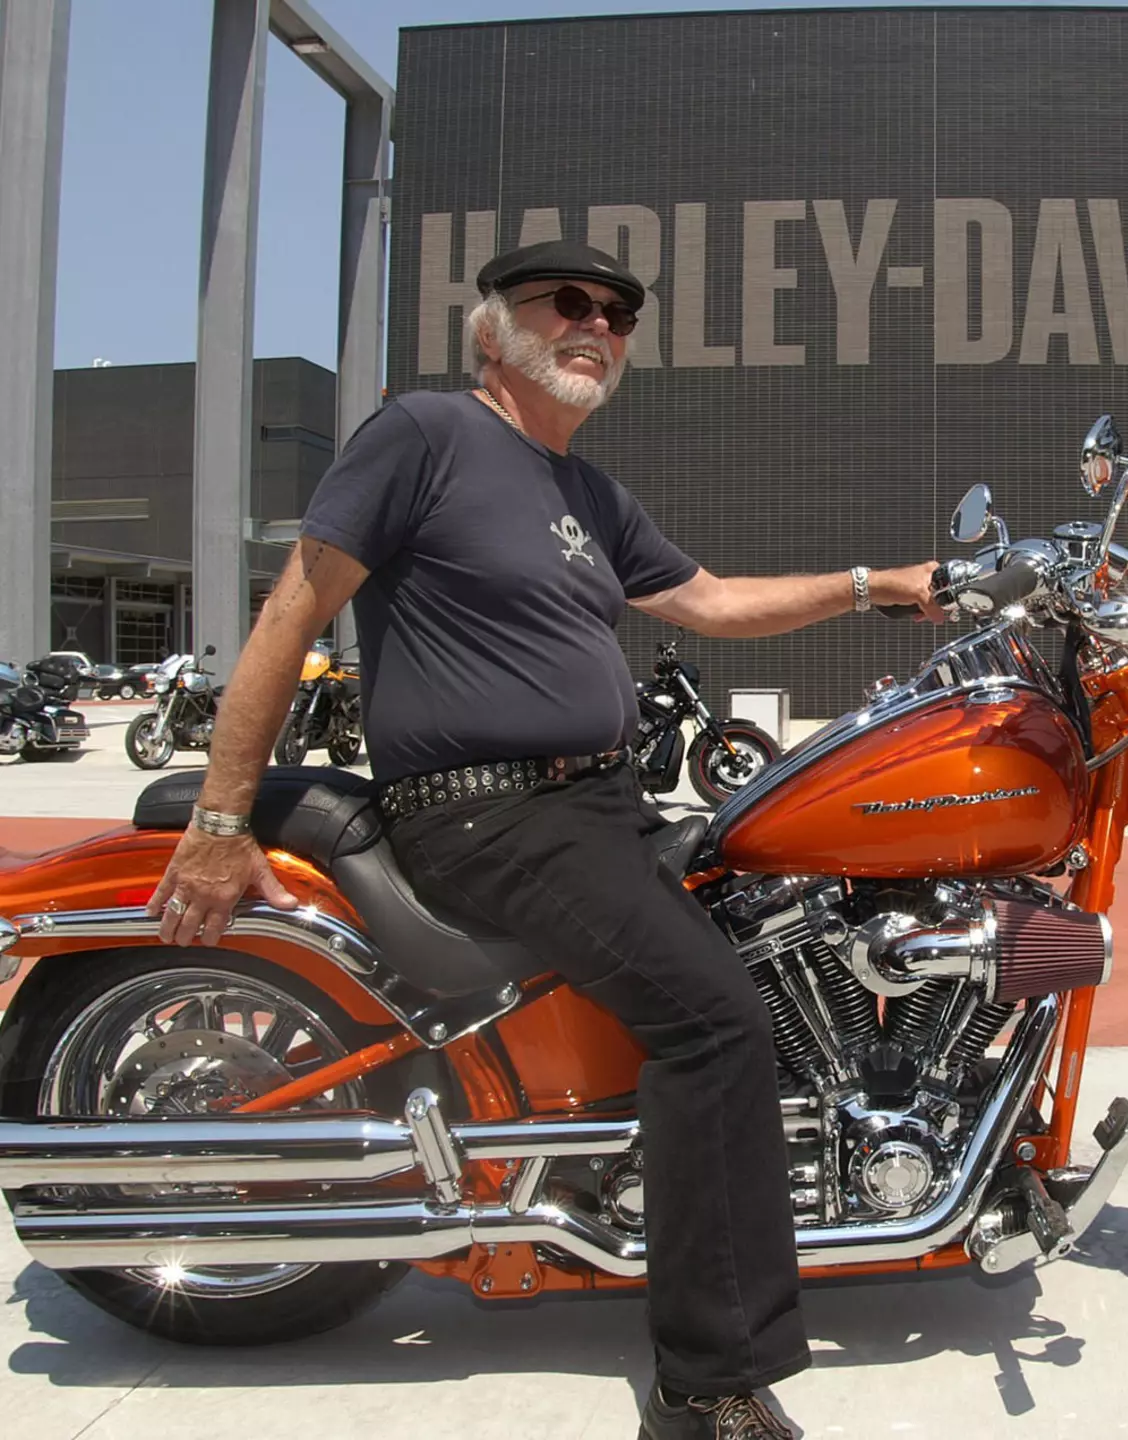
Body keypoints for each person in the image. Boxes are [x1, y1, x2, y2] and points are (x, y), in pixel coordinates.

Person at [147, 239, 942, 1440]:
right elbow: (292, 610)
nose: (596, 325)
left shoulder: (587, 494)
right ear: (492, 330)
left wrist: (881, 584)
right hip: (491, 813)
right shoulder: (424, 436)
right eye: (565, 303)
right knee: (715, 1025)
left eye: (618, 313)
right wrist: (219, 817)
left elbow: (711, 603)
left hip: (599, 804)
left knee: (780, 909)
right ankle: (707, 1386)